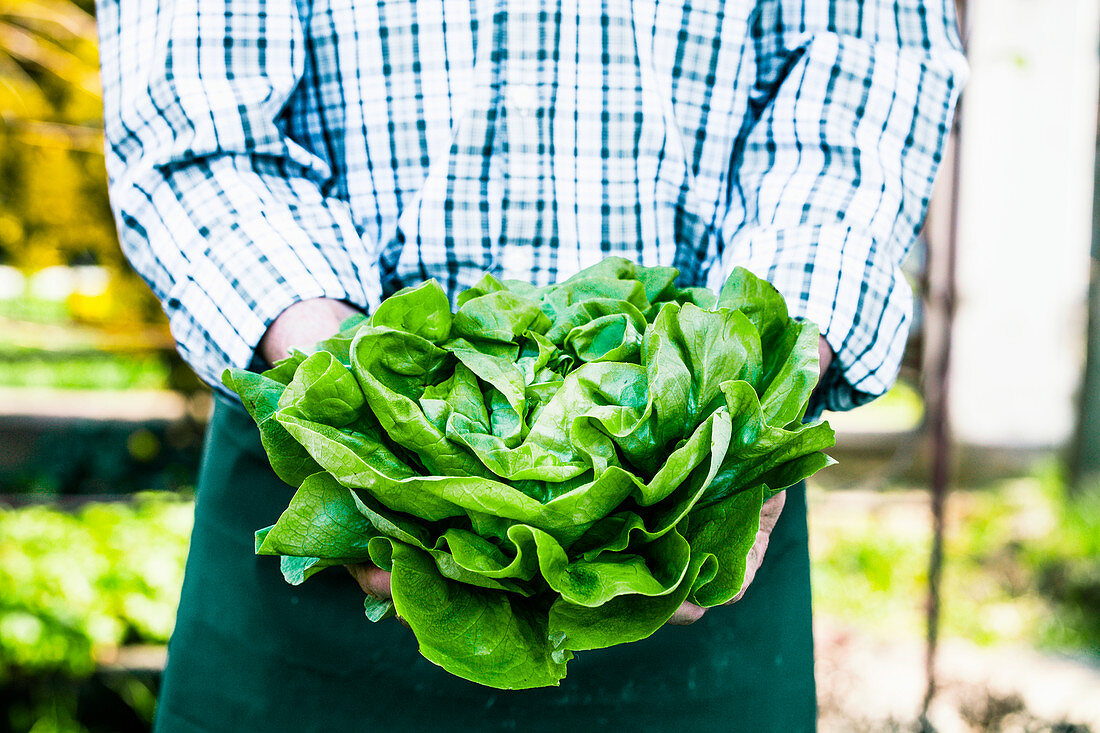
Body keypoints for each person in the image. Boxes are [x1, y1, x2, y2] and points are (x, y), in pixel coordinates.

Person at [96, 0, 965, 730]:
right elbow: (192, 106)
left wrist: (768, 371)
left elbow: (867, 72)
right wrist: (357, 412)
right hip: (327, 483)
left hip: (704, 501)